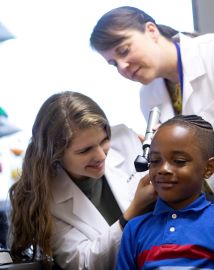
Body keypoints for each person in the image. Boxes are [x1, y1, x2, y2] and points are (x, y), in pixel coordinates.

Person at [90, 6, 214, 210]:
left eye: (124, 50)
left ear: (151, 31)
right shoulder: (148, 96)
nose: (122, 67)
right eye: (114, 63)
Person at [8, 91, 157, 270]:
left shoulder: (124, 139)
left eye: (104, 140)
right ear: (56, 154)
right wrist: (133, 211)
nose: (101, 156)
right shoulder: (48, 199)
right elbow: (84, 263)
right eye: (85, 151)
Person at [116, 114, 214, 269]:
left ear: (208, 168)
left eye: (179, 161)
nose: (163, 169)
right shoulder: (134, 230)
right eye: (154, 161)